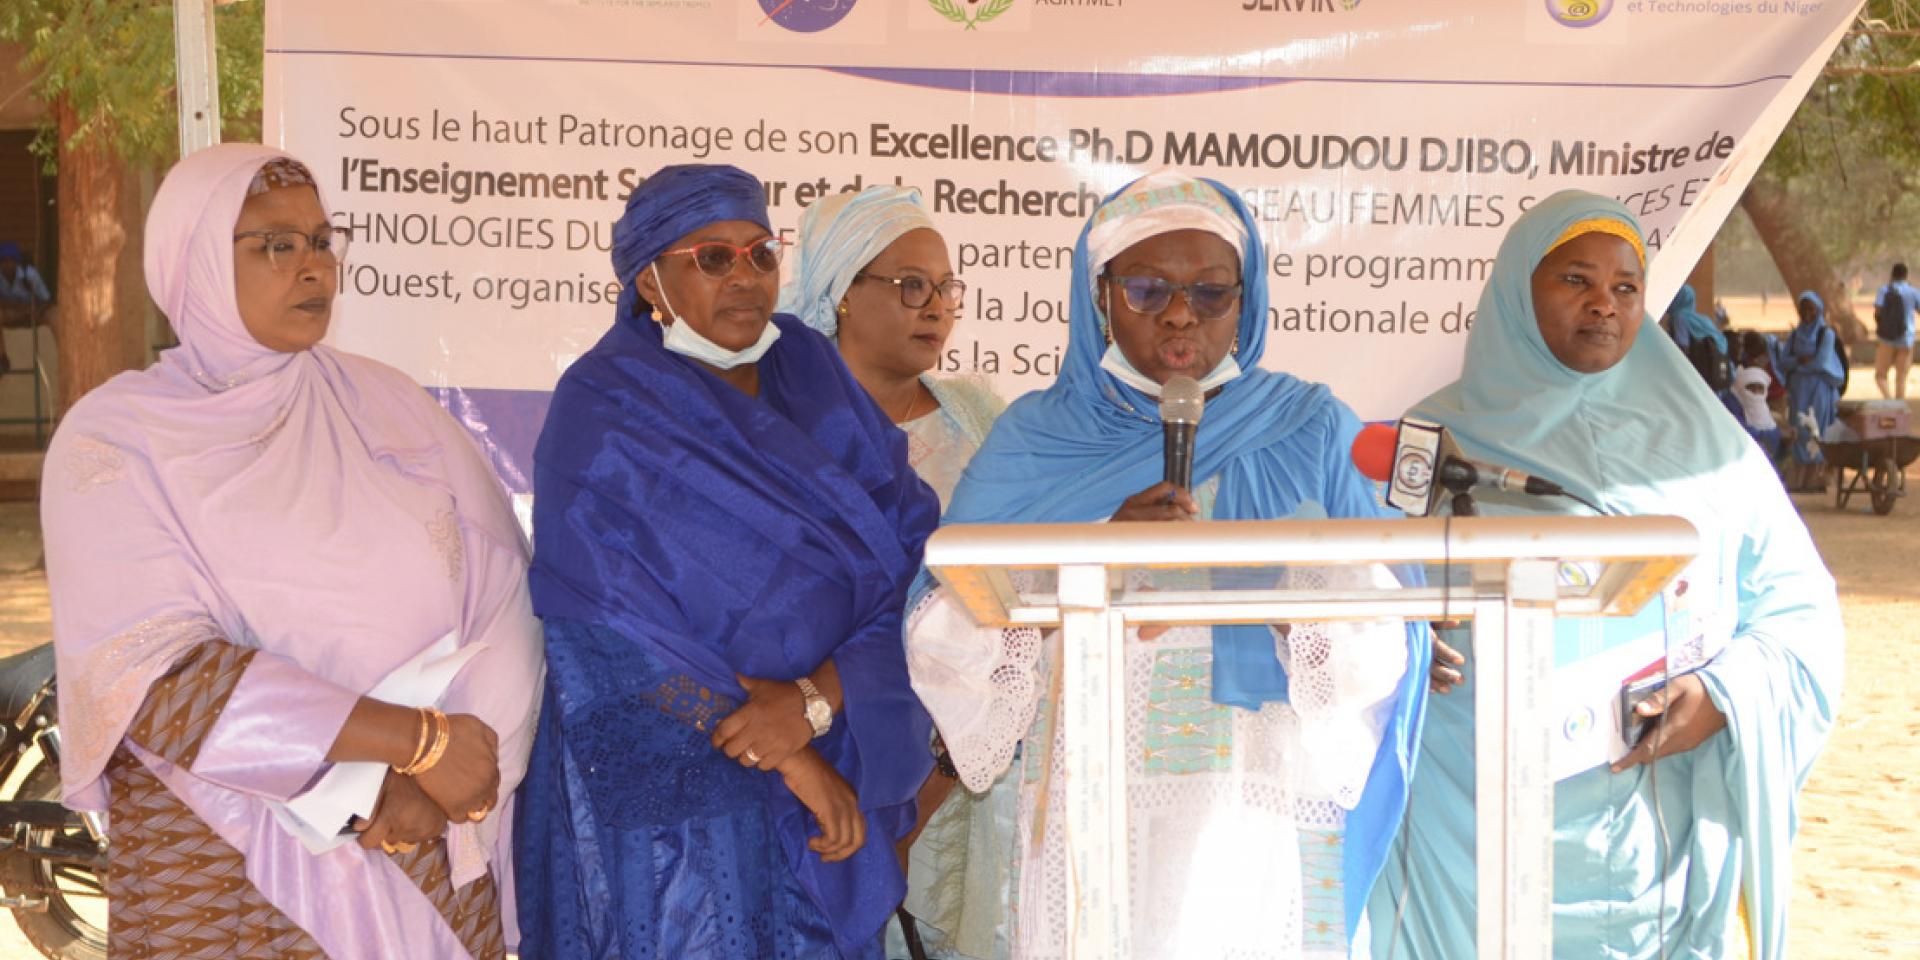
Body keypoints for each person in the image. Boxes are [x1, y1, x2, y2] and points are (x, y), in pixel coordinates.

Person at [904, 171, 1428, 959]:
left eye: (1211, 294)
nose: (1182, 315)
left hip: (1254, 804)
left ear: (1244, 301)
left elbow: (1389, 630)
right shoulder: (1035, 439)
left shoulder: (1309, 425)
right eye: (1148, 291)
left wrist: (1277, 593)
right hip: (1088, 795)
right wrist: (1092, 549)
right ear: (1101, 298)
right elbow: (944, 627)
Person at [41, 144, 545, 959]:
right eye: (276, 244)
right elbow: (155, 676)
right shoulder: (117, 440)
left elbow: (508, 595)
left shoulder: (389, 405)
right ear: (196, 261)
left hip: (424, 840)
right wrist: (409, 748)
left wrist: (454, 779)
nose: (312, 266)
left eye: (320, 240)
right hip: (227, 868)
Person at [1368, 191, 1842, 960]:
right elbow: (1363, 594)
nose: (1604, 306)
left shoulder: (1710, 448)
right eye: (1574, 281)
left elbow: (1800, 608)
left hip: (1655, 848)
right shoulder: (1434, 442)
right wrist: (1397, 633)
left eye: (1626, 287)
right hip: (1471, 837)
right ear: (1519, 290)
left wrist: (1723, 696)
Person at [514, 164, 942, 960]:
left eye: (760, 255)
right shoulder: (604, 407)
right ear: (650, 277)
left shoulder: (813, 373)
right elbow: (604, 633)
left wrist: (814, 704)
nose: (745, 278)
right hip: (677, 814)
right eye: (713, 258)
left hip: (835, 752)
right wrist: (790, 759)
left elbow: (916, 569)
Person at [777, 185, 1010, 960]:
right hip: (808, 755)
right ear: (843, 292)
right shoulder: (775, 425)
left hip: (961, 768)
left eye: (946, 288)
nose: (935, 307)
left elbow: (1005, 605)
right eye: (910, 285)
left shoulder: (977, 415)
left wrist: (936, 783)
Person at [1779, 290, 1846, 492]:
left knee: (1817, 432)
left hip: (1820, 390)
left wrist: (1798, 364)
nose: (1807, 313)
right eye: (1803, 308)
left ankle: (1818, 481)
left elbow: (1820, 362)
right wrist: (1801, 360)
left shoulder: (1826, 334)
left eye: (1811, 309)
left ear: (1818, 310)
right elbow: (1784, 361)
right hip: (1799, 392)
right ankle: (1800, 482)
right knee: (1799, 431)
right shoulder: (1795, 334)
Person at [0, 240, 54, 373]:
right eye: (3, 261)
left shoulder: (30, 275)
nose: (7, 265)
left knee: (55, 314)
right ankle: (2, 358)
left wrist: (37, 311)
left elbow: (47, 299)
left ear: (17, 262)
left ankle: (64, 350)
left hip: (32, 312)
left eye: (11, 260)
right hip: (10, 314)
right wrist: (13, 307)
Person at [1871, 262, 1916, 399]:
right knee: (1901, 377)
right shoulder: (1913, 292)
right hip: (1906, 339)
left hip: (1886, 340)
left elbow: (1878, 312)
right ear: (1906, 275)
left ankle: (1889, 400)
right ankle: (1899, 405)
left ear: (1892, 274)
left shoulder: (1884, 290)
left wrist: (1883, 327)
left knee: (1881, 375)